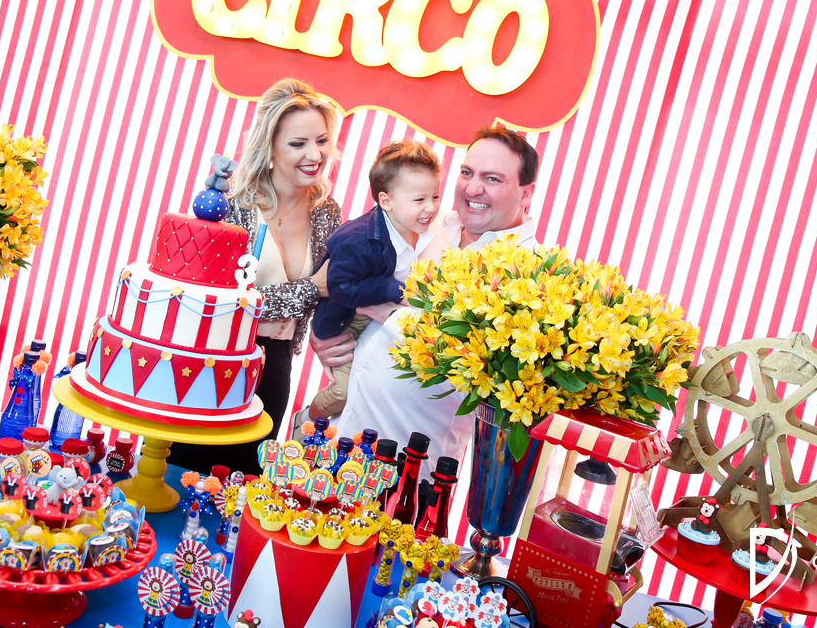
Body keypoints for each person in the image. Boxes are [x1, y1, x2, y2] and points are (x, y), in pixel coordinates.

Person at [332, 126, 540, 475]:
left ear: (526, 193)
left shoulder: (528, 273)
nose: (473, 188)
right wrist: (327, 333)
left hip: (407, 462)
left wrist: (389, 314)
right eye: (467, 173)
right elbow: (356, 262)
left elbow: (476, 363)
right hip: (344, 432)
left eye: (492, 178)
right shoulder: (431, 221)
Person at [170, 78, 341, 475]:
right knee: (183, 475)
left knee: (244, 482)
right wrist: (308, 290)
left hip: (275, 367)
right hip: (211, 364)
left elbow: (332, 292)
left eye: (321, 140)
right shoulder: (232, 205)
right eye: (298, 143)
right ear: (270, 148)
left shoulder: (327, 212)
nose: (314, 154)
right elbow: (221, 304)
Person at [306, 139, 441, 420]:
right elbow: (338, 287)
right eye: (419, 200)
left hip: (375, 324)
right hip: (343, 322)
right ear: (386, 201)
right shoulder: (360, 240)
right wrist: (393, 289)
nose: (430, 208)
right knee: (342, 393)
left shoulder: (416, 229)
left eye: (435, 197)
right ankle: (306, 422)